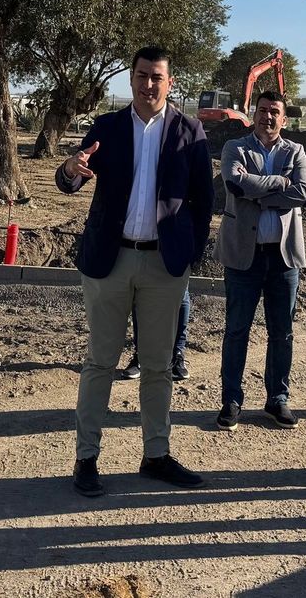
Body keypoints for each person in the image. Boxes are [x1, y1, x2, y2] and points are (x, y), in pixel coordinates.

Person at [56, 46, 214, 497]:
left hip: (165, 266)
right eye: (142, 76)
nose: (149, 84)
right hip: (111, 261)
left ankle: (156, 455)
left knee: (159, 366)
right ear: (131, 79)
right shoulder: (107, 127)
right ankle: (86, 459)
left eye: (157, 77)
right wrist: (70, 170)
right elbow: (69, 180)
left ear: (170, 81)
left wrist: (189, 253)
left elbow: (204, 200)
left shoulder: (190, 130)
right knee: (100, 362)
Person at [216, 90, 306, 431]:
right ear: (253, 114)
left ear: (284, 119)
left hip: (284, 258)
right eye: (262, 110)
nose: (267, 117)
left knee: (282, 332)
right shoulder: (234, 148)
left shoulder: (296, 150)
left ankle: (277, 399)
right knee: (237, 330)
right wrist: (278, 183)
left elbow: (303, 192)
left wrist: (257, 192)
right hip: (244, 256)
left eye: (274, 112)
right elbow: (234, 183)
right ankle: (231, 399)